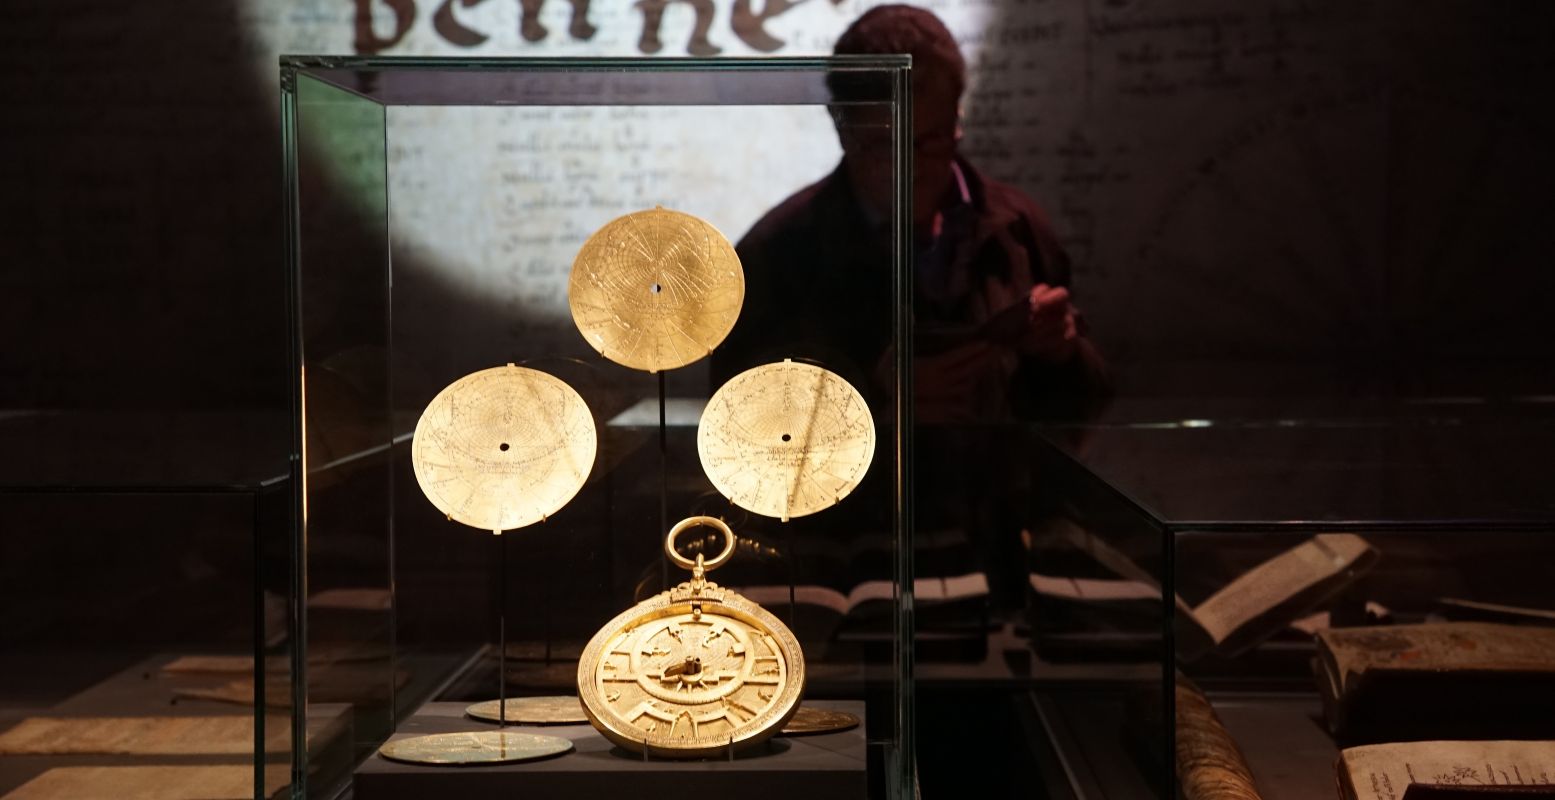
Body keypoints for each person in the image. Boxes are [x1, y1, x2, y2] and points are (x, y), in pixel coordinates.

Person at [712, 4, 1109, 423]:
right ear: (841, 127)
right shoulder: (775, 255)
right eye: (886, 145)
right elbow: (733, 428)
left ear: (958, 119)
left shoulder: (1019, 227)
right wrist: (869, 396)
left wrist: (1065, 349)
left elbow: (1091, 408)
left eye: (931, 140)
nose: (911, 168)